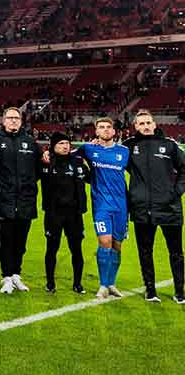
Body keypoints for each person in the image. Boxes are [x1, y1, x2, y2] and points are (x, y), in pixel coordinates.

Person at [122, 110, 185, 303]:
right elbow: (109, 157)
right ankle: (150, 290)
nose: (146, 126)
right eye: (141, 123)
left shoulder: (170, 145)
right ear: (135, 127)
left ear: (155, 124)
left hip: (169, 208)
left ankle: (180, 291)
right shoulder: (128, 147)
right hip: (142, 209)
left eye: (148, 122)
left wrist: (176, 192)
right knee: (145, 251)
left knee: (176, 252)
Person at [69, 117, 130, 299]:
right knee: (104, 242)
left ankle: (111, 283)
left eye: (108, 127)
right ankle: (103, 285)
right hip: (101, 205)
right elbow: (66, 155)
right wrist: (47, 155)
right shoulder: (88, 148)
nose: (105, 130)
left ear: (114, 131)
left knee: (117, 245)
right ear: (96, 131)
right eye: (101, 127)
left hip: (121, 206)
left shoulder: (124, 152)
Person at [0, 107, 39, 294]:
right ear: (3, 121)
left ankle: (16, 274)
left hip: (25, 200)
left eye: (17, 118)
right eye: (10, 118)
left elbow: (38, 170)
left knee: (21, 242)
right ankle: (6, 276)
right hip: (4, 201)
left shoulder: (31, 143)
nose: (13, 121)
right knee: (5, 241)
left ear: (21, 121)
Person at [38, 132, 88, 294]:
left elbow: (92, 177)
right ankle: (50, 283)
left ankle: (78, 284)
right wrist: (43, 154)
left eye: (67, 143)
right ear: (53, 146)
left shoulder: (78, 162)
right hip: (53, 214)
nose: (65, 146)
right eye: (60, 143)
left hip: (74, 214)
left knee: (76, 249)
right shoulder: (46, 163)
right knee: (52, 248)